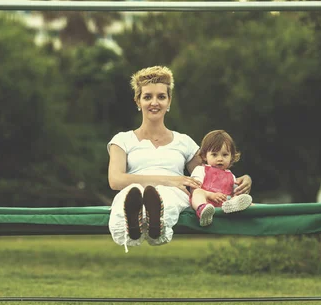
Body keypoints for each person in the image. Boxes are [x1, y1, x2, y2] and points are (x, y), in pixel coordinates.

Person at [107, 66, 252, 252]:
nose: (154, 102)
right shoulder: (122, 140)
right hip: (138, 189)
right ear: (137, 101)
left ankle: (155, 223)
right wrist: (168, 180)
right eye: (147, 97)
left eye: (161, 96)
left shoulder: (184, 142)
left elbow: (211, 173)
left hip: (173, 193)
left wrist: (244, 179)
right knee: (131, 192)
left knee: (167, 196)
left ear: (169, 101)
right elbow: (116, 180)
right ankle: (133, 225)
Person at [190, 130, 253, 227]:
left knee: (236, 196)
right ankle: (202, 209)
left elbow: (235, 191)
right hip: (206, 200)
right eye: (214, 154)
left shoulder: (231, 176)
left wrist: (238, 195)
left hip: (224, 204)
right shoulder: (201, 170)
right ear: (204, 155)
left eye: (225, 155)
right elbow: (194, 189)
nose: (220, 159)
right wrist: (211, 195)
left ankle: (233, 206)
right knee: (198, 192)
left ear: (231, 156)